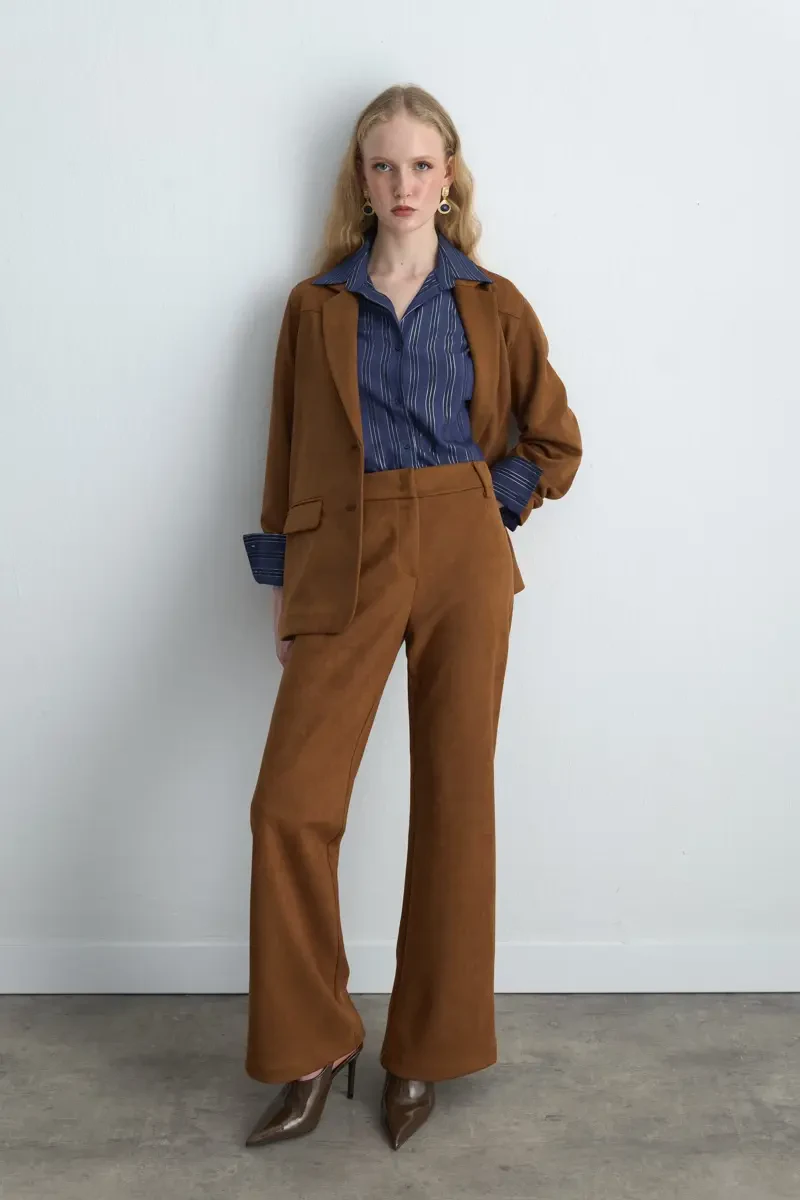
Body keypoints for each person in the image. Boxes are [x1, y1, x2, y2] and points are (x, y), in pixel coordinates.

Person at [241, 83, 582, 1151]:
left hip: (461, 551)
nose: (401, 183)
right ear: (361, 179)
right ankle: (312, 1044)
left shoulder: (493, 302)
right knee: (289, 806)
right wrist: (287, 586)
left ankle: (425, 1050)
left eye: (420, 165)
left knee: (454, 803)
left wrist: (490, 505)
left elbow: (552, 440)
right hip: (345, 554)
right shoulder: (313, 307)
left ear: (448, 179)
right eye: (382, 165)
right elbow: (286, 454)